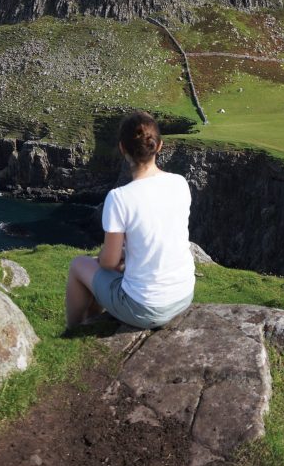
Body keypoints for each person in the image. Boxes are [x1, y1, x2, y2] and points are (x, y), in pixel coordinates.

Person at [65, 110, 195, 330]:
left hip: (145, 309)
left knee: (79, 265)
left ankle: (74, 330)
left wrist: (105, 258)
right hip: (183, 295)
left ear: (122, 149)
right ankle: (92, 323)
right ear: (159, 146)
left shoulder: (119, 197)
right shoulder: (180, 182)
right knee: (108, 269)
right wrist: (126, 255)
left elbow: (108, 263)